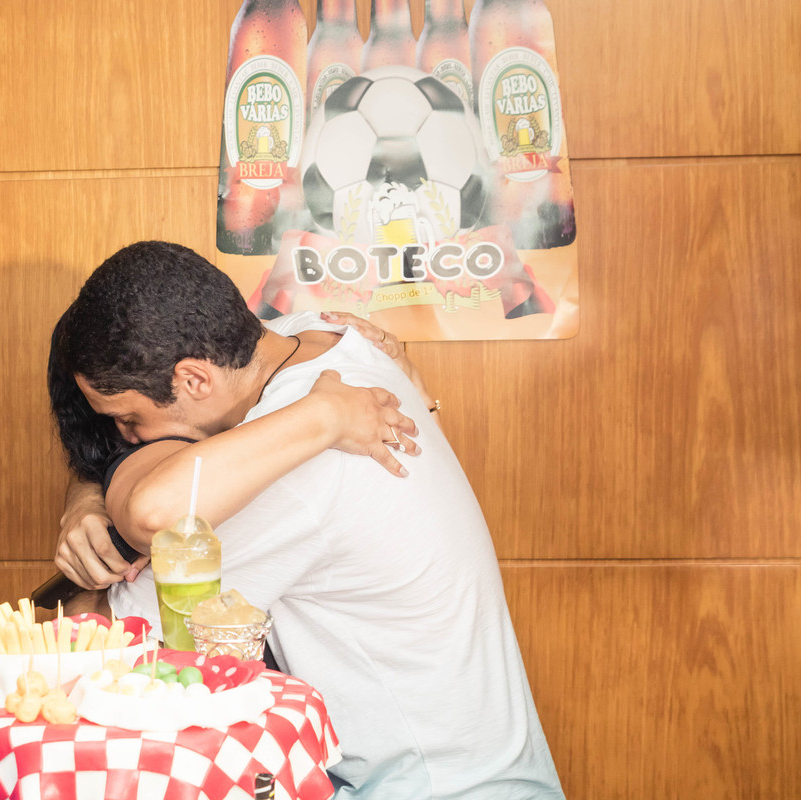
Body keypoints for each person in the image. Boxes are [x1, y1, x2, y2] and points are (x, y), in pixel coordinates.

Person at [49, 241, 564, 798]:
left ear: (195, 380)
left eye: (129, 419)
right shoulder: (323, 338)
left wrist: (95, 544)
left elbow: (114, 642)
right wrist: (89, 495)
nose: (129, 439)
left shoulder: (295, 464)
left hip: (437, 787)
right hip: (476, 772)